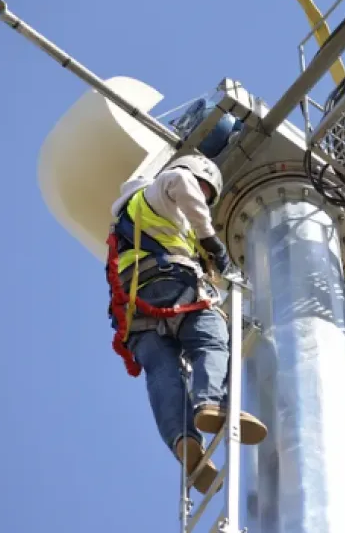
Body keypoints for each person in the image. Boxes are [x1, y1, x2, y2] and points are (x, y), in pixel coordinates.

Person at [104, 153, 268, 494]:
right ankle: (212, 402)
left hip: (138, 313)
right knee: (210, 341)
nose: (201, 198)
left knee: (163, 374)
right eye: (203, 189)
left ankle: (182, 439)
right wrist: (212, 241)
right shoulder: (159, 191)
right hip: (173, 287)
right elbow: (181, 182)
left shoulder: (135, 221)